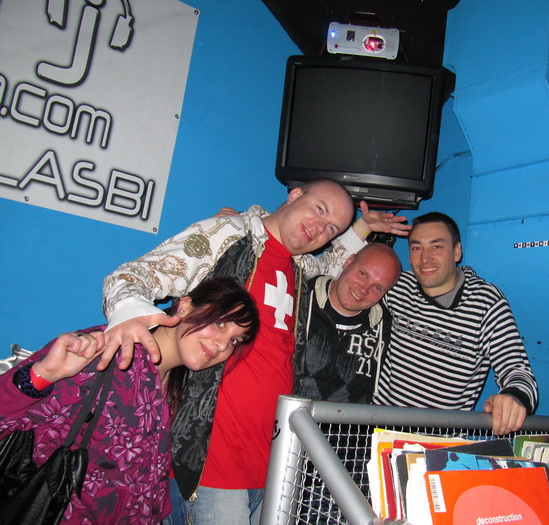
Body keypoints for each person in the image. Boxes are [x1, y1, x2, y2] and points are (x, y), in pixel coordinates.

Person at [100, 179, 410, 525]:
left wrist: (362, 228)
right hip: (214, 460)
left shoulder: (299, 266)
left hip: (271, 463)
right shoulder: (229, 233)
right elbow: (134, 275)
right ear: (294, 195)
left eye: (331, 228)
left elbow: (334, 266)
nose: (320, 229)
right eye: (319, 210)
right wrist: (128, 317)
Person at [0, 277, 259, 524]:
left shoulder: (179, 395)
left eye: (234, 340)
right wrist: (41, 375)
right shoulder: (106, 351)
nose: (222, 346)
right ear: (185, 305)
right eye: (221, 323)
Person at [371, 211, 539, 435]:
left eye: (437, 246)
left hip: (437, 444)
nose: (425, 258)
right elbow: (346, 282)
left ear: (457, 252)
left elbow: (517, 370)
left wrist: (513, 397)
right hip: (376, 432)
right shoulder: (398, 286)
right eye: (417, 248)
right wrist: (362, 229)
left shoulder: (485, 302)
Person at [294, 242, 402, 404]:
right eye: (363, 274)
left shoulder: (385, 325)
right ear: (348, 262)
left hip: (348, 420)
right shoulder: (298, 299)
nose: (364, 289)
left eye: (378, 288)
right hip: (285, 415)